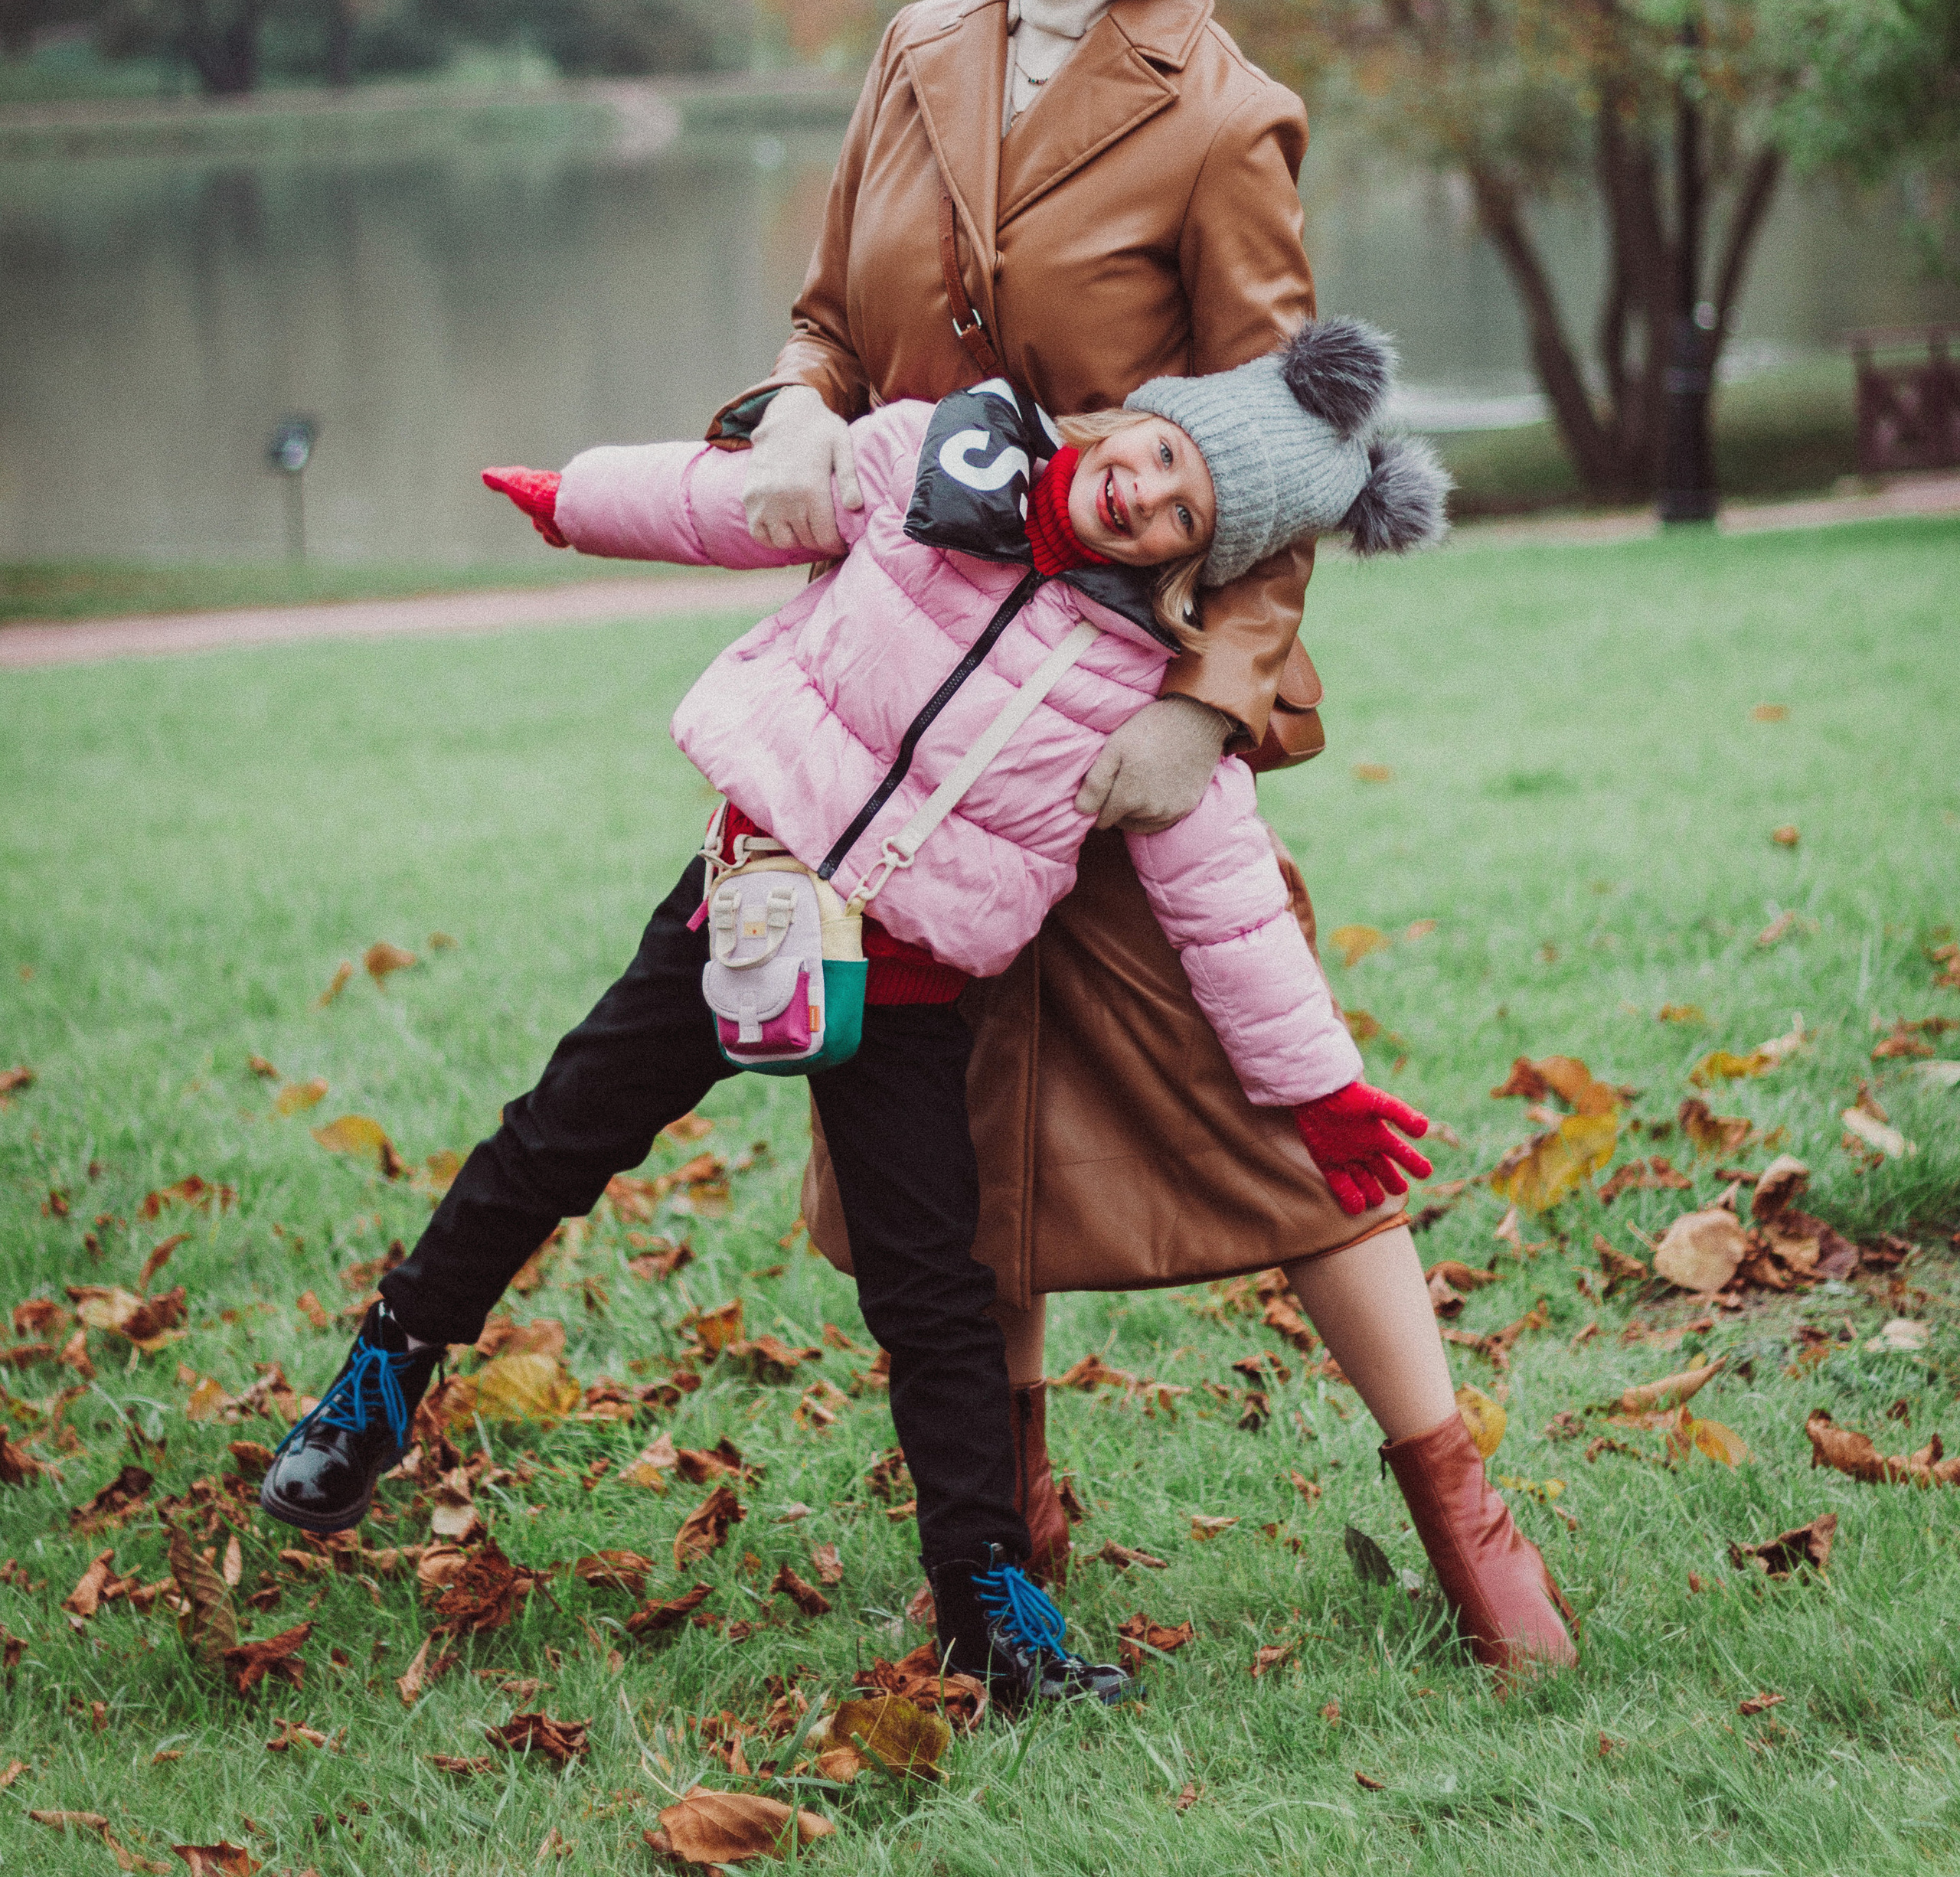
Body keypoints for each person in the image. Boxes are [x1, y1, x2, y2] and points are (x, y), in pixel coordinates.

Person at [713, 0, 1574, 1680]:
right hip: (911, 714)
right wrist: (791, 412)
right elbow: (834, 324)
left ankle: (1459, 1498)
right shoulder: (915, 50)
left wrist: (1209, 702)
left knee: (1278, 1116)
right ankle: (1005, 1531)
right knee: (944, 1130)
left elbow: (1300, 440)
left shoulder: (1222, 113)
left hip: (1108, 714)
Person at [258, 320, 1446, 1708]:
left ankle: (986, 1607)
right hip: (751, 906)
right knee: (555, 1140)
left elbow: (1230, 912)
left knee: (937, 1290)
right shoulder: (935, 461)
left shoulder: (1146, 701)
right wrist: (575, 501)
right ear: (1132, 418)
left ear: (1198, 563)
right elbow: (739, 508)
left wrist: (1319, 1091)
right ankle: (381, 1379)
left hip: (913, 980)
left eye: (1187, 516)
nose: (1148, 493)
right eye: (1162, 454)